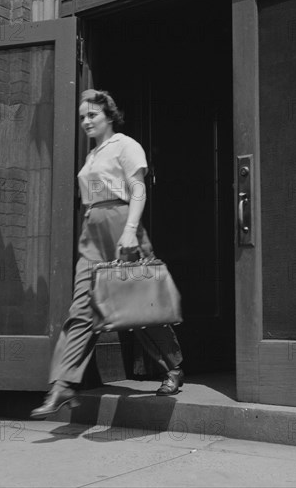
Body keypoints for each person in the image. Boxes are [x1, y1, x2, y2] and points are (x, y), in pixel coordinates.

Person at [31, 89, 184, 419]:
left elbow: (138, 189)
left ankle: (173, 366)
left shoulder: (125, 146)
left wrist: (130, 229)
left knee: (140, 306)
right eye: (82, 116)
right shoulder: (91, 156)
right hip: (93, 234)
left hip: (121, 226)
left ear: (109, 116)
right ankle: (62, 384)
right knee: (81, 307)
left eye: (92, 115)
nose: (86, 121)